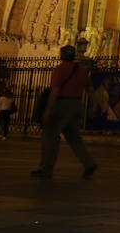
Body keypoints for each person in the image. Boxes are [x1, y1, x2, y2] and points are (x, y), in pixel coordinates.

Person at [31, 45, 97, 179]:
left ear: (61, 56)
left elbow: (55, 91)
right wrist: (92, 106)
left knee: (50, 137)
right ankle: (89, 163)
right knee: (74, 138)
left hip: (62, 104)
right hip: (77, 104)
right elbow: (90, 90)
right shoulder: (82, 71)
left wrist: (48, 110)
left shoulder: (60, 70)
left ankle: (46, 169)